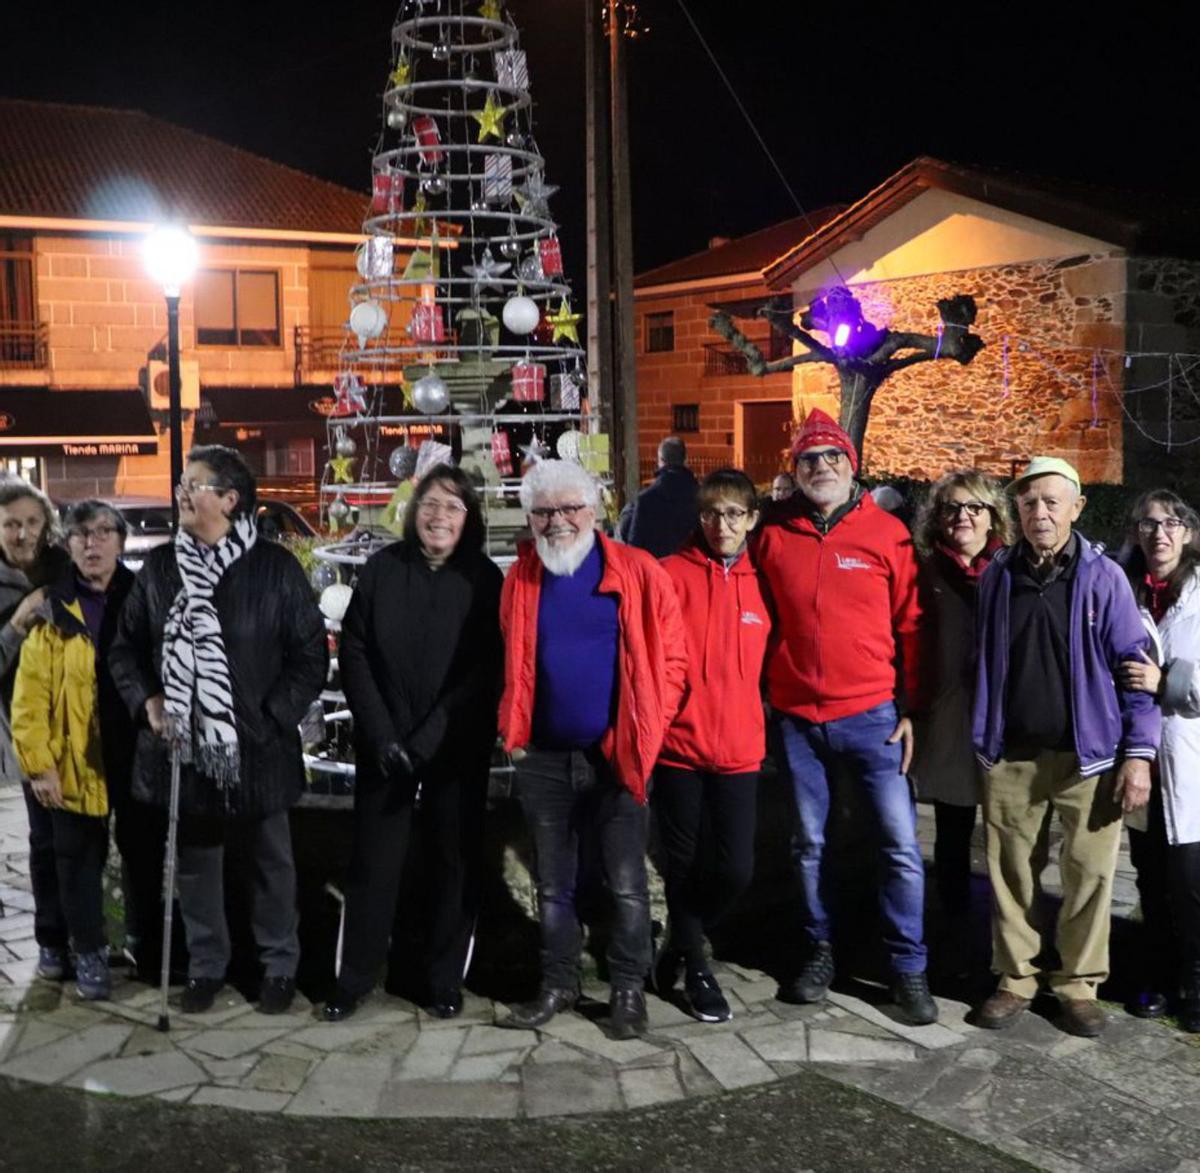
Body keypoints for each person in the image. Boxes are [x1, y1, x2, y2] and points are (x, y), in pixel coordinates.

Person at [111, 446, 327, 1015]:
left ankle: (278, 967)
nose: (182, 493)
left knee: (271, 865)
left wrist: (271, 716)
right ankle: (207, 967)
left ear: (230, 500)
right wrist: (149, 702)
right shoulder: (160, 569)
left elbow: (309, 657)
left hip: (256, 749)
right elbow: (125, 651)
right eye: (183, 484)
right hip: (182, 747)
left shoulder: (276, 569)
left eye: (195, 485)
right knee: (196, 865)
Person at [752, 408, 936, 1026]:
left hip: (873, 717)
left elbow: (913, 624)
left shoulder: (887, 534)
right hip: (798, 718)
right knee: (808, 845)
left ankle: (908, 967)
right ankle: (819, 951)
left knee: (901, 847)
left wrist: (913, 708)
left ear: (851, 466)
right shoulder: (772, 532)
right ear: (796, 470)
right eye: (809, 459)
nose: (821, 467)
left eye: (832, 458)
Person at [497, 459, 686, 1039]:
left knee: (626, 881)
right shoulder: (521, 578)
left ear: (595, 509)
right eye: (544, 511)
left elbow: (674, 660)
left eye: (569, 508)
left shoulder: (638, 570)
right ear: (530, 518)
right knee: (553, 883)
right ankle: (558, 983)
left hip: (618, 753)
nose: (558, 521)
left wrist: (649, 729)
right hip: (546, 758)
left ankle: (628, 990)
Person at [972, 456, 1158, 1038]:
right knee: (1010, 874)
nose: (1040, 513)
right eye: (1029, 503)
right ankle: (1016, 979)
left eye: (1053, 502)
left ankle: (1078, 985)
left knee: (1089, 874)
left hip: (1090, 758)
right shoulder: (998, 575)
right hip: (1012, 754)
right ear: (1017, 512)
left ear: (1077, 508)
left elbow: (1136, 667)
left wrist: (1138, 754)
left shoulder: (1105, 578)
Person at [323, 466, 503, 1023]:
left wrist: (425, 741)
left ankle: (443, 980)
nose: (438, 517)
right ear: (412, 512)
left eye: (452, 507)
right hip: (385, 747)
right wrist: (381, 734)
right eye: (430, 504)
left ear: (468, 520)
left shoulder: (485, 580)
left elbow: (483, 671)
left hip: (453, 748)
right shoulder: (381, 570)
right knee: (373, 867)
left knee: (454, 863)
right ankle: (353, 978)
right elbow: (354, 650)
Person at [10, 500, 140, 999]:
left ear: (120, 542)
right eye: (82, 534)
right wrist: (40, 767)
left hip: (131, 759)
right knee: (76, 861)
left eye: (104, 532)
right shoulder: (52, 611)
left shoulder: (142, 597)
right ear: (68, 544)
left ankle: (141, 944)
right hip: (72, 762)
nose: (93, 542)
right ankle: (87, 953)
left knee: (141, 856)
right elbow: (29, 701)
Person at [653, 469, 769, 1022]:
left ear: (751, 519)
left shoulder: (764, 580)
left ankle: (679, 940)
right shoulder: (669, 574)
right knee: (682, 863)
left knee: (735, 869)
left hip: (740, 749)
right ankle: (697, 967)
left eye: (732, 515)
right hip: (678, 747)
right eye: (710, 515)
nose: (720, 525)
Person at [910, 471, 1013, 970]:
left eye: (975, 508)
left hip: (1004, 719)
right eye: (951, 508)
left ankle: (1012, 943)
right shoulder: (925, 572)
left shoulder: (1010, 570)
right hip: (949, 715)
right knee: (951, 832)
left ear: (993, 516)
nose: (963, 517)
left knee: (1008, 834)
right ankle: (954, 932)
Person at [1116, 490, 1200, 1031]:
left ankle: (1194, 981)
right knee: (1148, 874)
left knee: (1190, 881)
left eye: (1172, 523)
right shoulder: (1124, 593)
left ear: (1189, 534)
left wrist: (1165, 682)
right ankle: (1158, 972)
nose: (1160, 534)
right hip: (1141, 759)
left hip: (1191, 763)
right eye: (1149, 524)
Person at [0, 480, 72, 982]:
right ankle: (51, 941)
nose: (22, 533)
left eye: (30, 522)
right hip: (20, 730)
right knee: (44, 839)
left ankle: (88, 936)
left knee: (82, 839)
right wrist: (17, 623)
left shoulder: (66, 570)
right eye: (10, 524)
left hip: (75, 723)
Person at [620, 436, 698, 558]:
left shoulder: (645, 499)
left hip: (655, 570)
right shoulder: (701, 497)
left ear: (660, 460)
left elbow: (634, 546)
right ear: (686, 460)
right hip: (690, 571)